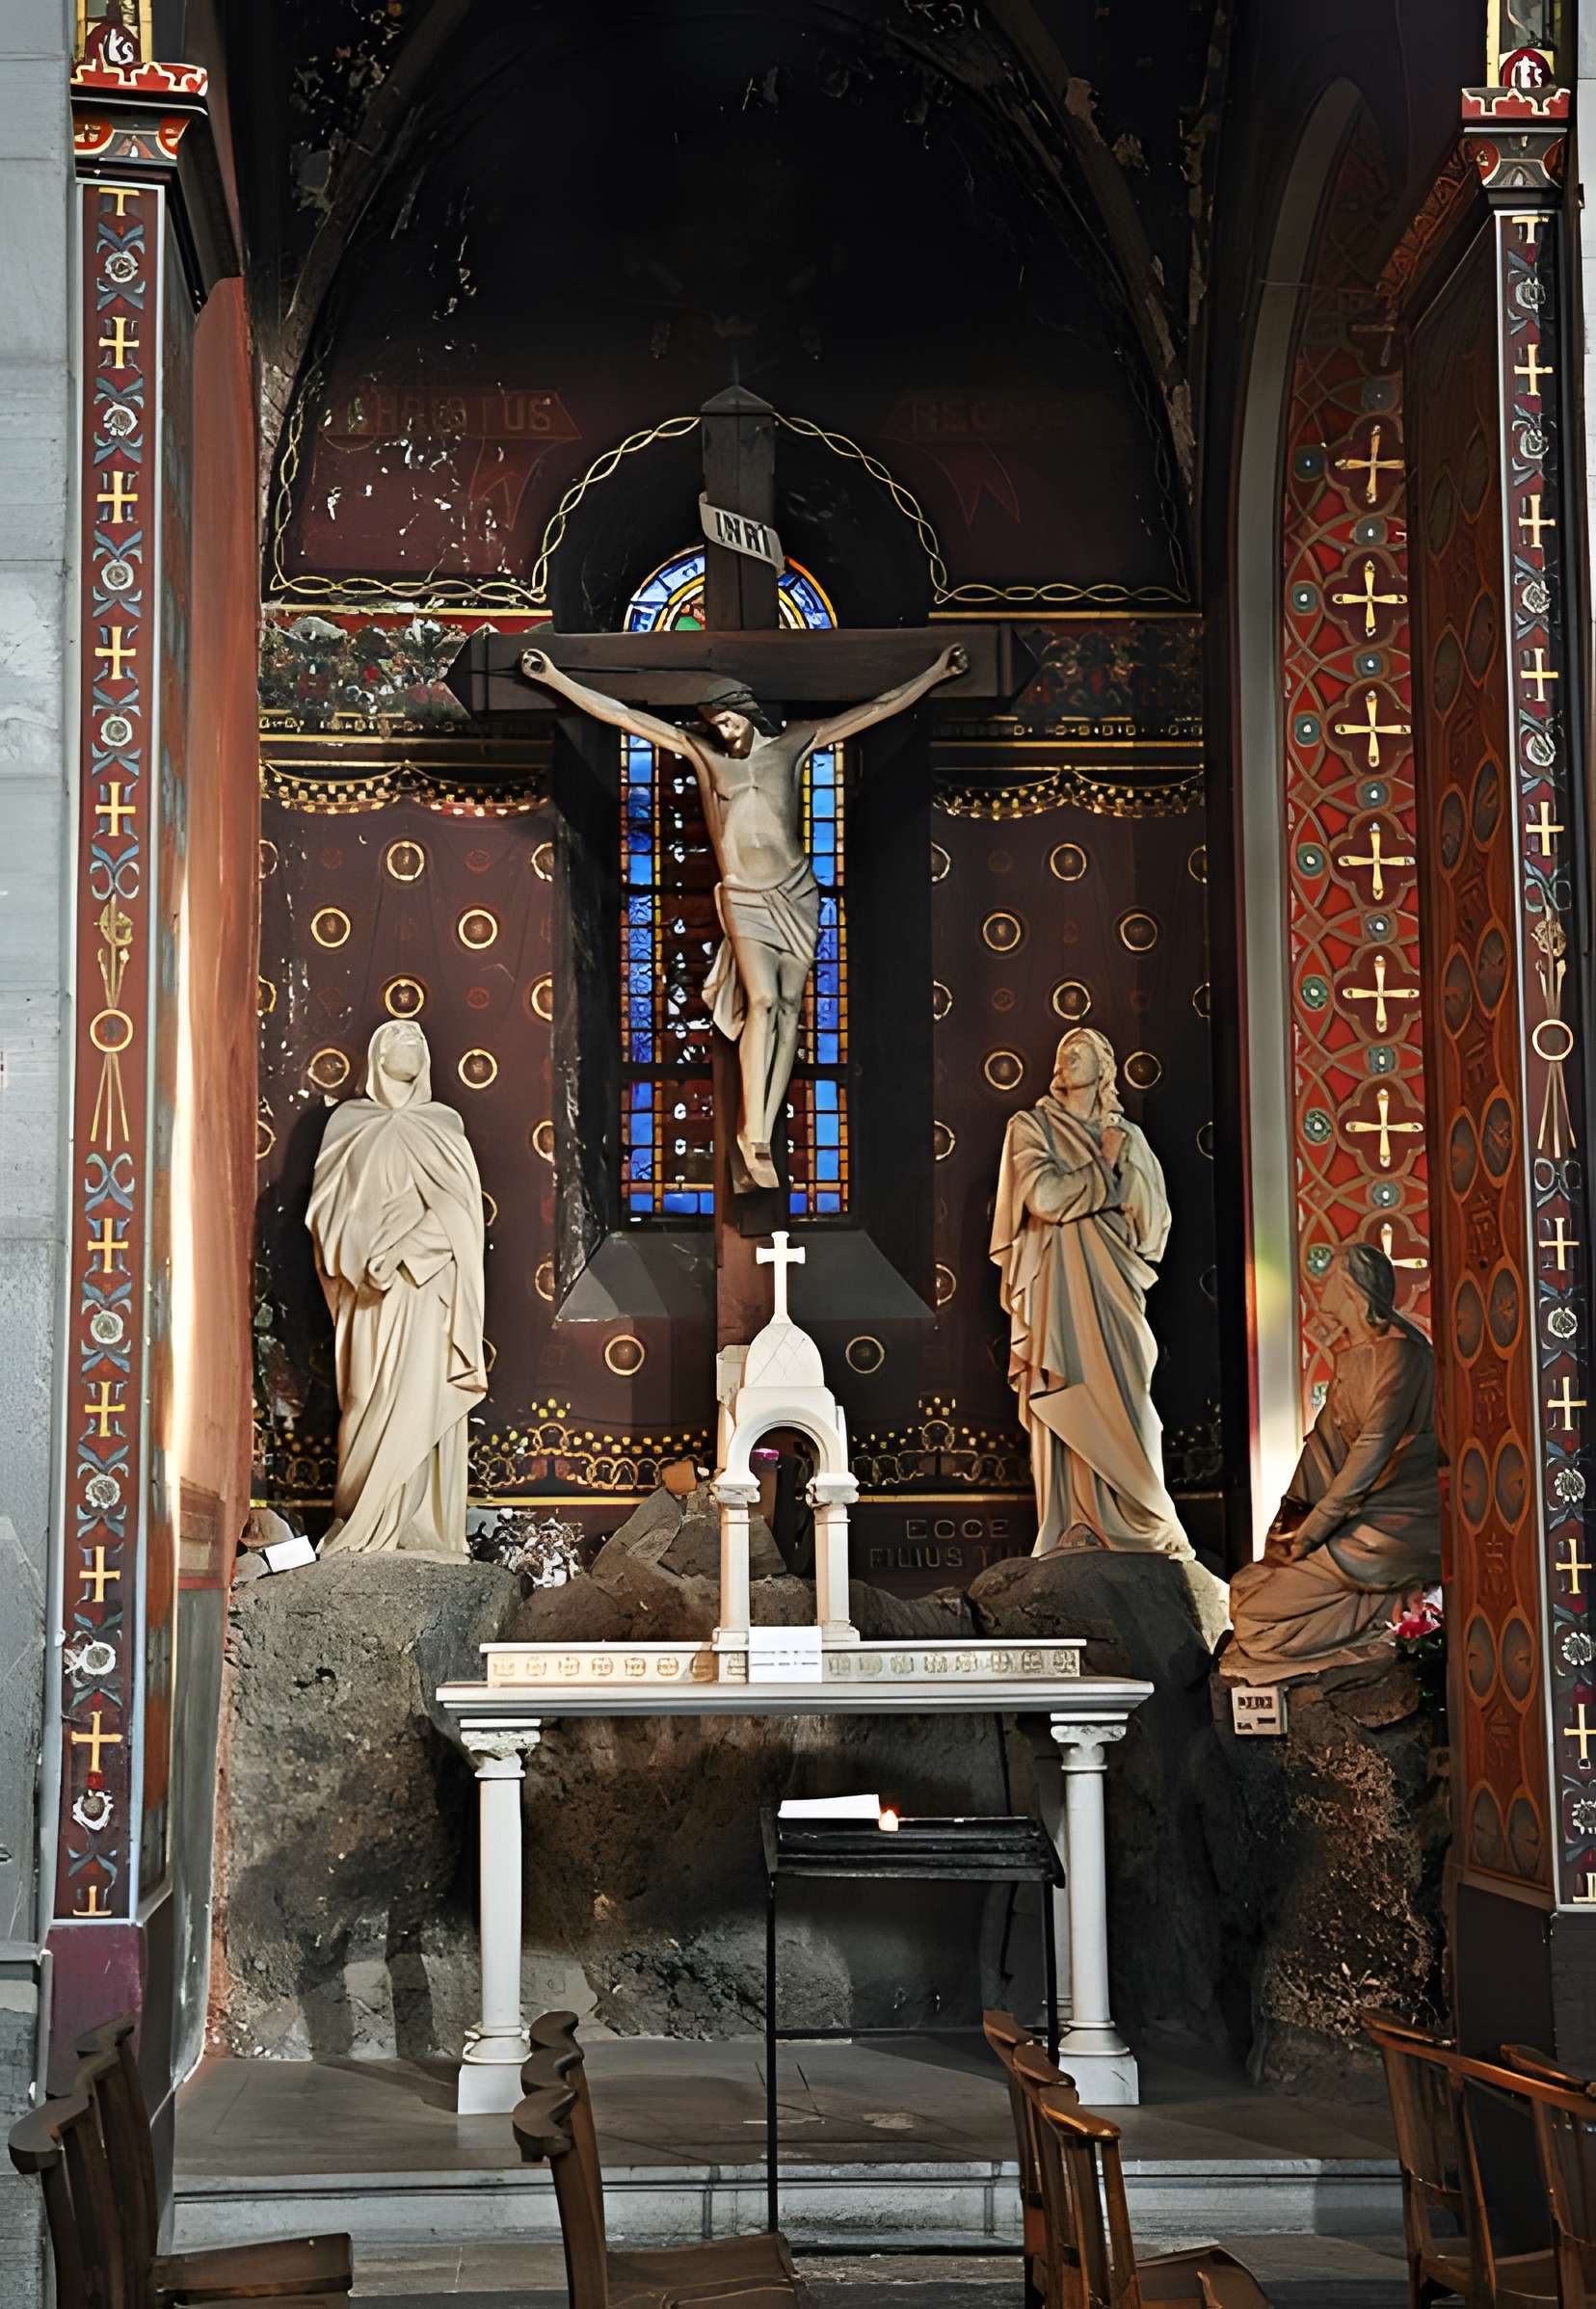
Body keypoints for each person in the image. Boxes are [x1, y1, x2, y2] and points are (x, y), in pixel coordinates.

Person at [521, 642, 965, 1189]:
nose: (724, 731)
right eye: (717, 723)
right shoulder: (706, 757)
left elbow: (873, 711)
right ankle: (751, 1131)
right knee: (762, 1001)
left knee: (789, 1010)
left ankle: (764, 1130)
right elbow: (625, 716)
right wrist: (556, 680)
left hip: (797, 890)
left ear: (749, 713)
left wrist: (934, 674)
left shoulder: (794, 745)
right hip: (744, 895)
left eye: (730, 720)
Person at [991, 1027, 1190, 1556]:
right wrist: (1104, 1167)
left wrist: (1121, 1179)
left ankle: (1145, 1517)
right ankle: (1075, 1521)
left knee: (1129, 1394)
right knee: (1069, 1386)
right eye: (1063, 1051)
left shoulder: (1129, 1137)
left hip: (1116, 1281)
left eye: (1081, 1050)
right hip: (1059, 1290)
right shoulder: (1031, 1128)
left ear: (1106, 1067)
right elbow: (1045, 1198)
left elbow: (1152, 1225)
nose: (1068, 1056)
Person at [1219, 1242, 1441, 1684]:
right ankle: (1373, 1613)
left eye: (1331, 1279)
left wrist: (1314, 1530)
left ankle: (1384, 1614)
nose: (1321, 1287)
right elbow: (1324, 1447)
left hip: (1391, 1528)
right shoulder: (1353, 1356)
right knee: (1244, 1590)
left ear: (1353, 1289)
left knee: (1256, 1619)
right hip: (1351, 1521)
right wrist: (1288, 1527)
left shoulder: (1403, 1355)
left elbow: (1371, 1452)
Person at [307, 1021, 488, 1557]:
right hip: (369, 1290)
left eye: (419, 1040)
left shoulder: (443, 1124)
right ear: (377, 1055)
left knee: (420, 1395)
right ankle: (359, 1515)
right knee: (365, 1396)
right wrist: (367, 1259)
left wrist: (409, 1248)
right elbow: (326, 1211)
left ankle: (417, 1522)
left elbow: (462, 1213)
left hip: (425, 1287)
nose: (413, 1044)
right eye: (399, 1038)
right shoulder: (349, 1123)